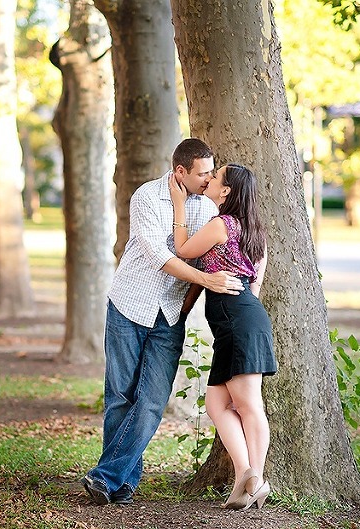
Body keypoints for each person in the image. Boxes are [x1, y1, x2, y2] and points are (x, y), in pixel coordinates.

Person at [81, 139, 245, 506]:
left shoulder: (209, 209)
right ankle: (120, 482)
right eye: (202, 173)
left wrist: (187, 306)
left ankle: (106, 476)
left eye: (211, 172)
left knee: (153, 399)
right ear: (180, 172)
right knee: (120, 396)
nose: (208, 179)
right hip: (129, 305)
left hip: (170, 314)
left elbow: (203, 264)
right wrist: (205, 282)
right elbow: (160, 255)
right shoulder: (145, 197)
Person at [169, 163, 278, 511]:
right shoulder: (254, 232)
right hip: (245, 317)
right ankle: (245, 475)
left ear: (226, 190)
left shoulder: (221, 224)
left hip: (237, 322)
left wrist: (179, 206)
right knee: (218, 405)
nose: (210, 180)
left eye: (215, 177)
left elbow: (183, 250)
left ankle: (256, 479)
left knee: (248, 405)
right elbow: (255, 286)